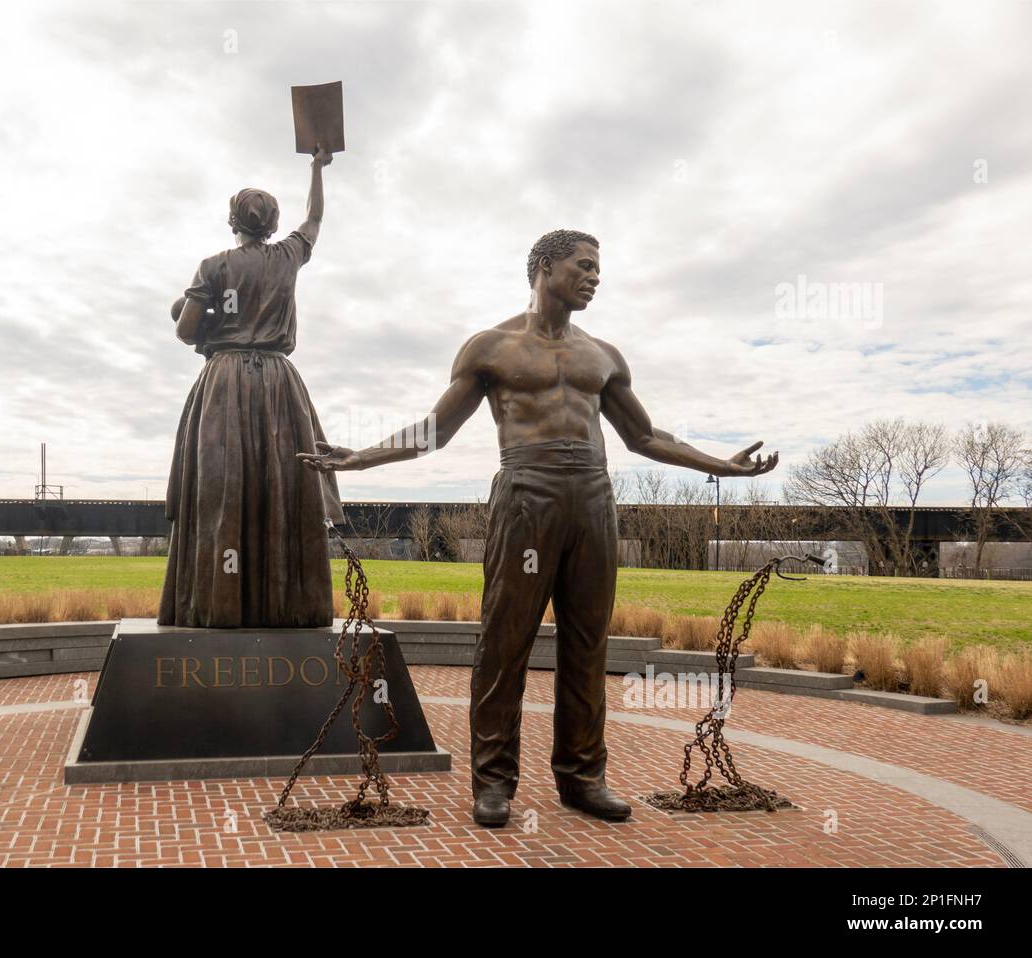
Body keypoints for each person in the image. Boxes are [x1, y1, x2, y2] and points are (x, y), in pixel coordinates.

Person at [301, 229, 779, 827]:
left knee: (587, 645)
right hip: (527, 494)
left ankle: (583, 778)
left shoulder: (603, 356)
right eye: (584, 266)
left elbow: (647, 437)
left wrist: (722, 467)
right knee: (505, 644)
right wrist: (360, 458)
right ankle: (494, 783)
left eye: (599, 269)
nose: (594, 277)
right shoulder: (490, 347)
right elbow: (434, 431)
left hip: (594, 499)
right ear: (546, 268)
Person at [158, 145, 344, 628]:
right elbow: (316, 216)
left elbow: (185, 330)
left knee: (223, 487)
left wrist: (209, 318)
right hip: (280, 383)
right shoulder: (288, 255)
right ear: (274, 223)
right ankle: (288, 604)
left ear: (231, 222)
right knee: (282, 485)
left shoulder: (214, 266)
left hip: (225, 380)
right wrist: (317, 168)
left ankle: (216, 603)